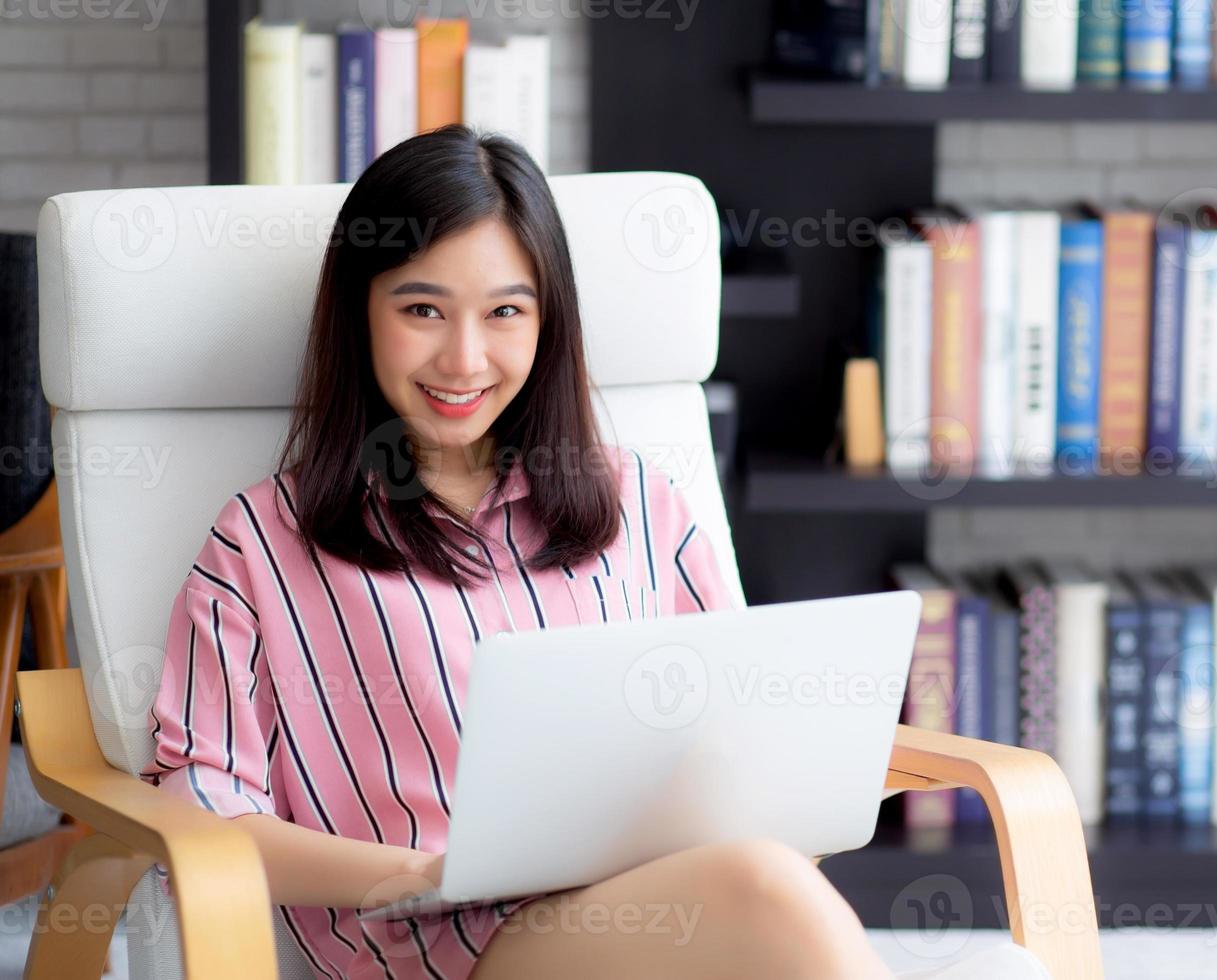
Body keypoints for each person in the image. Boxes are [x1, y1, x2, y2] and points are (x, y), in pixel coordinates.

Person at [138, 125, 896, 980]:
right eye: (421, 309)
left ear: (547, 322)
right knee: (768, 890)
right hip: (441, 947)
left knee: (769, 885)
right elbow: (203, 809)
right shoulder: (260, 544)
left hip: (651, 909)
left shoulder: (639, 503)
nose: (464, 359)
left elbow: (738, 738)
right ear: (360, 311)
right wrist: (418, 874)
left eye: (505, 312)